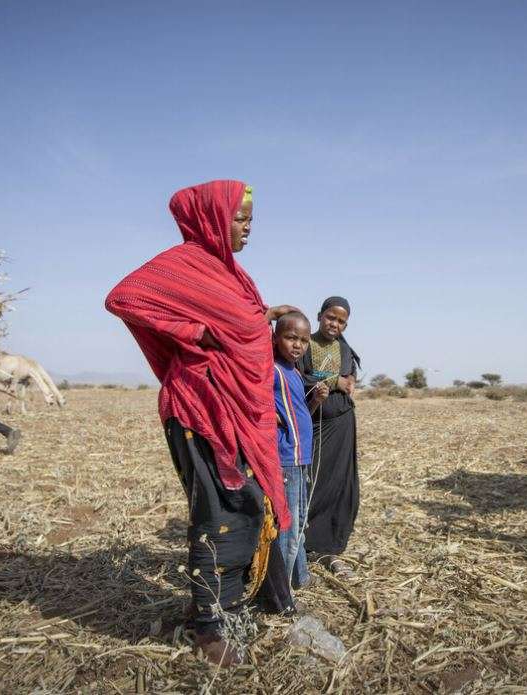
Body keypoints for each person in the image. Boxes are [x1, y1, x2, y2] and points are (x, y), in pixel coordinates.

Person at [105, 180, 297, 666]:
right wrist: (194, 330)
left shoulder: (231, 274)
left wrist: (264, 314)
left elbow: (244, 325)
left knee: (245, 508)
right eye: (240, 216)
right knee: (221, 513)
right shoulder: (183, 264)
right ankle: (210, 631)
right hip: (201, 410)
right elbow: (124, 297)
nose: (249, 226)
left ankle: (220, 609)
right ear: (213, 219)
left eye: (251, 217)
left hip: (237, 411)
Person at [301, 296, 361, 580]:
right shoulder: (303, 343)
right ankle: (300, 545)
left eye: (341, 321)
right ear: (319, 315)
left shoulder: (345, 349)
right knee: (312, 483)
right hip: (312, 425)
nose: (334, 324)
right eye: (330, 317)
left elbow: (351, 380)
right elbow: (296, 378)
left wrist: (340, 382)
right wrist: (334, 381)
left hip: (342, 423)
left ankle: (330, 549)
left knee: (339, 485)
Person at [272, 311, 327, 589]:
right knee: (288, 527)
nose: (298, 345)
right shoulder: (272, 370)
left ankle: (300, 577)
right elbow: (254, 403)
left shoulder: (294, 372)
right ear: (274, 337)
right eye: (291, 337)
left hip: (301, 457)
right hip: (286, 459)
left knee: (299, 523)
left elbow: (301, 413)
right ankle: (281, 591)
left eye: (304, 340)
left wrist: (315, 400)